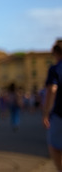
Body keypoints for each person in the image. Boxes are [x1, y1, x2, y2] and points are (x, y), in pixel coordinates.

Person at [43, 44, 62, 172]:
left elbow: (52, 90)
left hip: (60, 112)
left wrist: (46, 113)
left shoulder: (56, 68)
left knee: (55, 146)